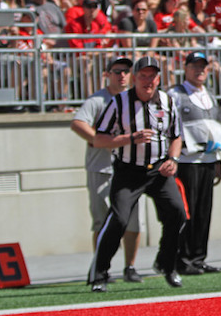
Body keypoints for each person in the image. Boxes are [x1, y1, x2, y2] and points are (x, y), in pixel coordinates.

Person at [88, 56, 187, 292]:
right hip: (129, 172)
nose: (148, 80)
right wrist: (130, 138)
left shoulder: (167, 101)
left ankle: (166, 264)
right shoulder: (118, 102)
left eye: (152, 76)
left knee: (178, 213)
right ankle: (99, 274)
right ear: (135, 78)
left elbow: (176, 135)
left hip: (159, 171)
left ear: (158, 78)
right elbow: (98, 139)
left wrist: (173, 159)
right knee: (119, 219)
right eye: (143, 76)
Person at [70, 56, 144, 284]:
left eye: (125, 71)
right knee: (103, 220)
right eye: (117, 71)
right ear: (107, 74)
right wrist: (100, 140)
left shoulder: (136, 99)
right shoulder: (98, 100)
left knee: (132, 220)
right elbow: (77, 123)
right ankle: (101, 267)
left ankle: (130, 266)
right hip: (102, 167)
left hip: (130, 168)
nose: (122, 75)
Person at [168, 52, 221, 275]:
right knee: (187, 210)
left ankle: (199, 257)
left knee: (204, 211)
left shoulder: (209, 94)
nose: (199, 70)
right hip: (186, 160)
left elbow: (215, 130)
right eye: (195, 66)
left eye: (203, 66)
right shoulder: (175, 94)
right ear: (186, 68)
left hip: (208, 159)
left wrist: (219, 159)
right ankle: (182, 259)